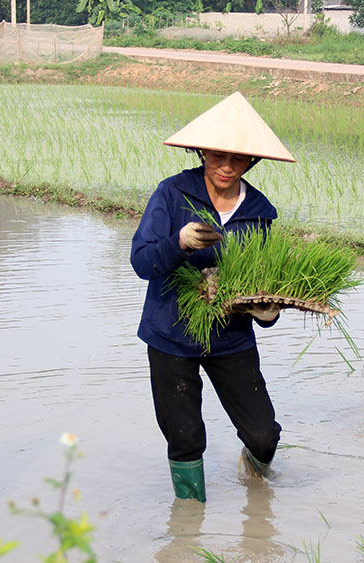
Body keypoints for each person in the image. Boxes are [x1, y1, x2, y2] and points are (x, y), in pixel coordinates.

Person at [131, 92, 296, 503]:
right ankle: (189, 522)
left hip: (230, 339)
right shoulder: (172, 194)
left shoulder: (260, 212)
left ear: (251, 161)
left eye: (237, 159)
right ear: (201, 150)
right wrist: (180, 242)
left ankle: (254, 475)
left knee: (264, 435)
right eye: (217, 155)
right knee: (185, 437)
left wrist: (267, 313)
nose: (226, 166)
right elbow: (141, 261)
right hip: (171, 335)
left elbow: (260, 283)